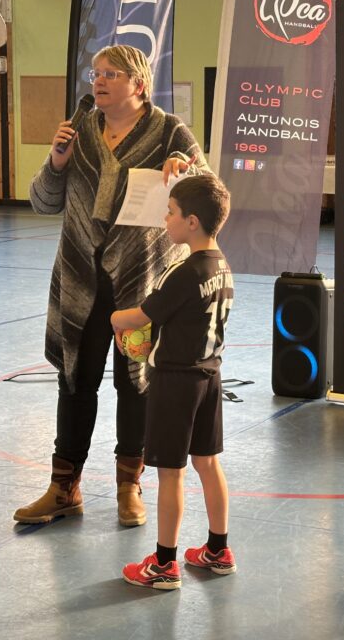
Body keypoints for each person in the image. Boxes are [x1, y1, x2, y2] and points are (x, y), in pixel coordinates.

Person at [15, 44, 206, 527]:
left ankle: (129, 486)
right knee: (75, 379)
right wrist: (57, 160)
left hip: (142, 281)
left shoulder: (169, 131)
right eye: (95, 73)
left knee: (134, 381)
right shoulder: (79, 130)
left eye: (111, 74)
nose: (98, 81)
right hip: (82, 276)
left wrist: (183, 171)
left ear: (138, 84)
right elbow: (42, 201)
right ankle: (64, 488)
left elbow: (206, 191)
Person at [111, 175, 235, 590]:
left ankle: (164, 564)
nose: (165, 219)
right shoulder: (222, 265)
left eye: (171, 212)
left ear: (193, 222)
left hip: (176, 382)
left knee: (170, 473)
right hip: (210, 375)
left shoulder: (182, 271)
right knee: (208, 462)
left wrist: (114, 320)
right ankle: (218, 549)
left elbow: (144, 315)